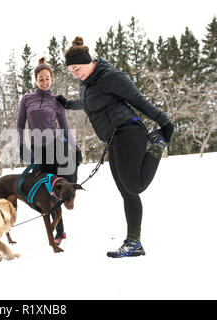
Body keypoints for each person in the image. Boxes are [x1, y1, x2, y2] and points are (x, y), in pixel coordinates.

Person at [57, 37, 174, 258]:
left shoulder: (111, 76)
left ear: (87, 61)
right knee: (127, 192)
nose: (75, 73)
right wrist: (67, 104)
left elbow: (138, 100)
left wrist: (164, 122)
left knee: (135, 186)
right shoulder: (87, 83)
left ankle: (157, 145)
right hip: (114, 138)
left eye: (76, 68)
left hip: (129, 131)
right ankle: (134, 243)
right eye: (71, 71)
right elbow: (89, 103)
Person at [16, 57, 82, 245]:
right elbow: (20, 125)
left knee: (60, 188)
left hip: (57, 148)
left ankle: (59, 231)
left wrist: (76, 149)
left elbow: (65, 127)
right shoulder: (27, 99)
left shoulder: (57, 100)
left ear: (52, 78)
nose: (44, 82)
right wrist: (22, 146)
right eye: (41, 79)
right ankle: (59, 230)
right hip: (38, 151)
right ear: (36, 80)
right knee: (46, 192)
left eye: (47, 78)